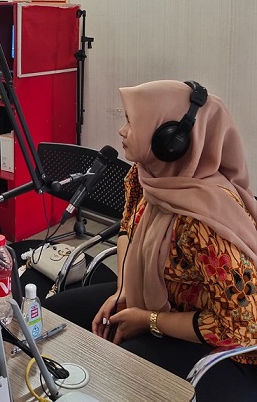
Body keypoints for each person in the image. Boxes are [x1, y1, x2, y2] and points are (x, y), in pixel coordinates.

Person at [43, 80, 257, 400]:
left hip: (229, 345)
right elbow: (128, 228)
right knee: (52, 315)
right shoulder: (145, 175)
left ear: (171, 141)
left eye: (131, 121)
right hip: (158, 302)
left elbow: (242, 326)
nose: (122, 131)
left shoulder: (203, 224)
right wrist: (124, 291)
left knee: (120, 371)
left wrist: (148, 320)